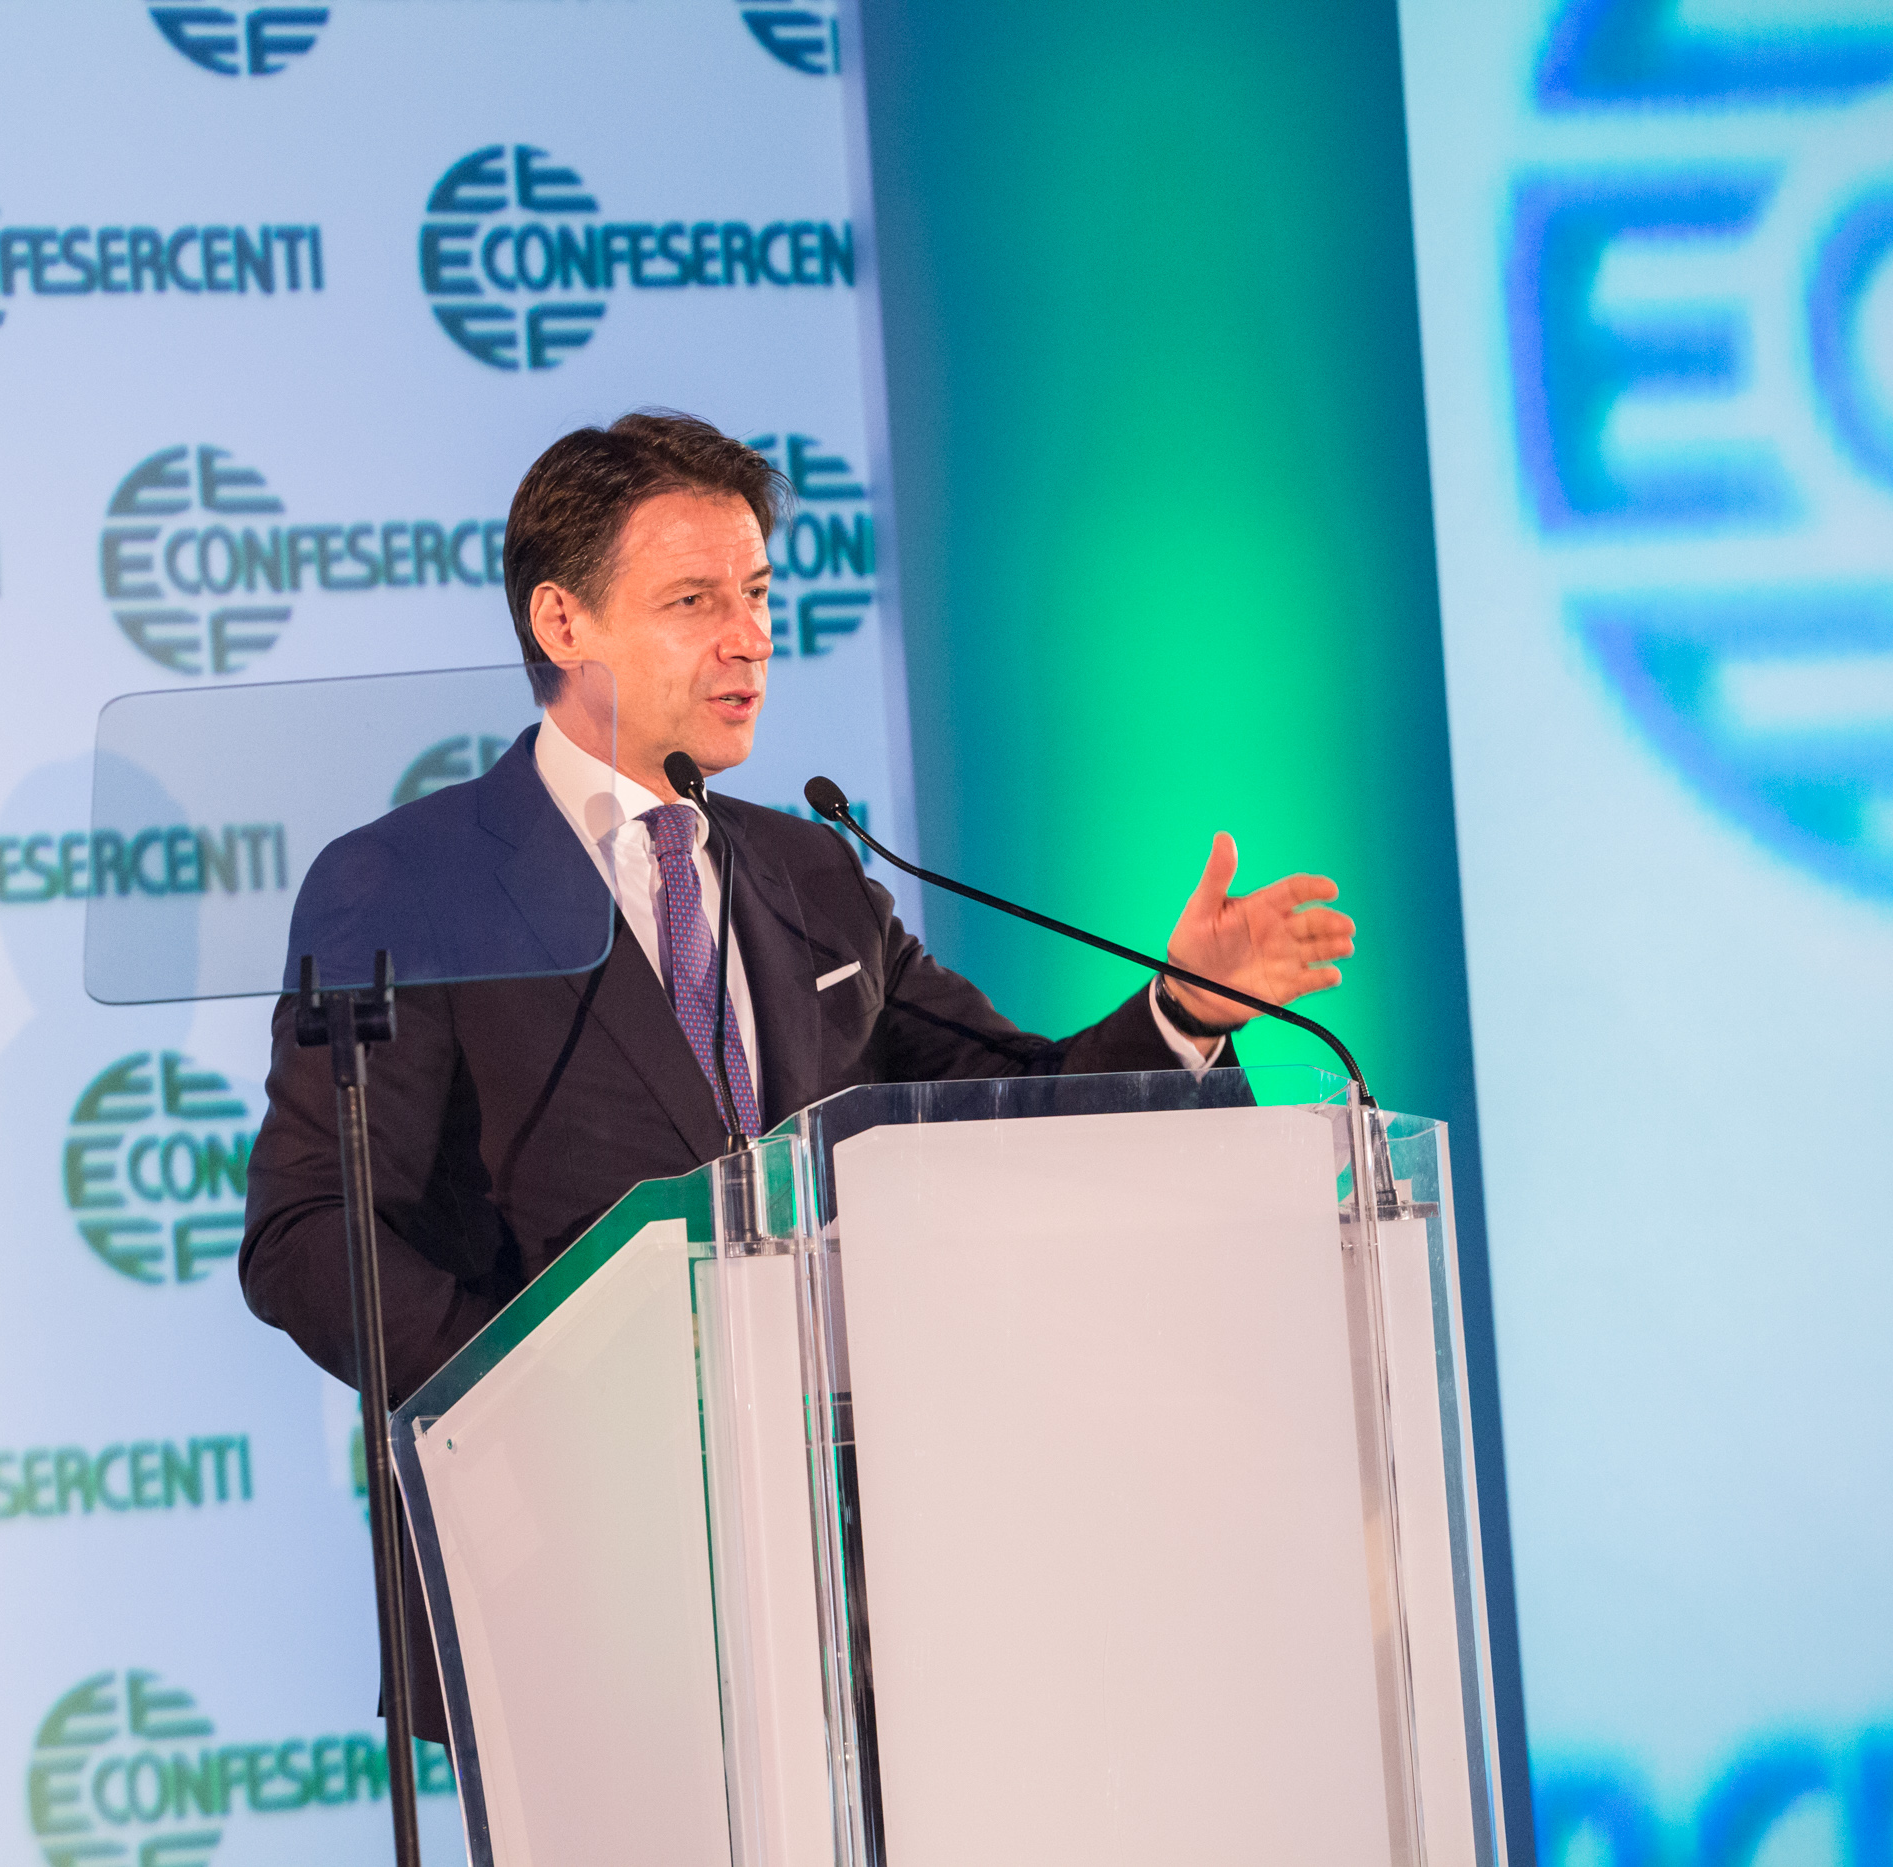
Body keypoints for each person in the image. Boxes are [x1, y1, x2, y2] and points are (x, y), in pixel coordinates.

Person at [238, 410, 1355, 1741]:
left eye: (759, 594)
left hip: (862, 1583)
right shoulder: (411, 882)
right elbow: (307, 1233)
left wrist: (1182, 1010)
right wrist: (543, 1394)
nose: (751, 637)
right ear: (562, 620)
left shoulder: (810, 870)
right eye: (694, 601)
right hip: (572, 1580)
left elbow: (1012, 1104)